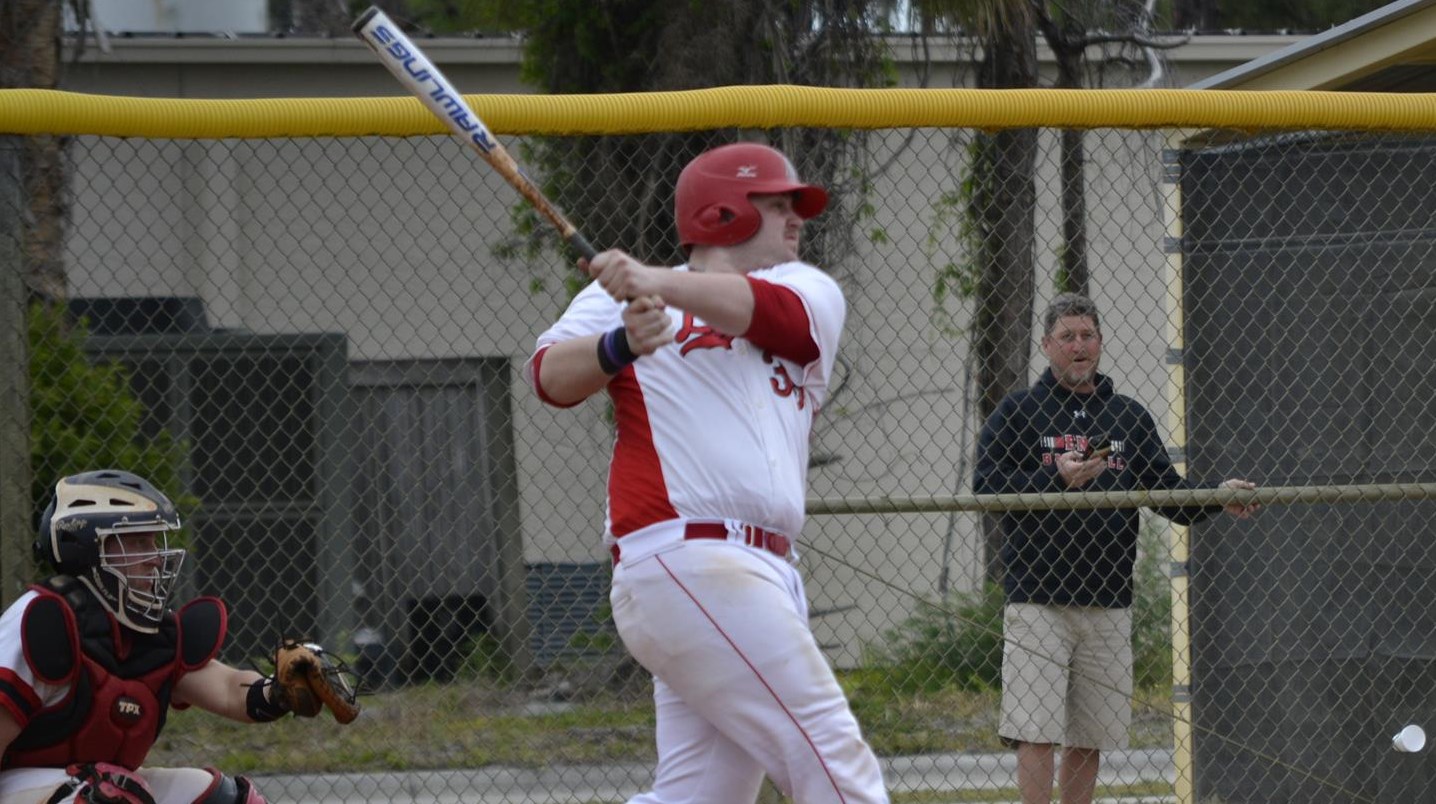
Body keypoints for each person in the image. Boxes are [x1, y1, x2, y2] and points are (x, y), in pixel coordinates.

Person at [525, 142, 888, 803]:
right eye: (776, 204)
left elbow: (765, 312)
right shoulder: (621, 299)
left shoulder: (807, 289)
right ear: (722, 213)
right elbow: (549, 377)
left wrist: (653, 283)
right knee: (829, 753)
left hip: (764, 571)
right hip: (686, 556)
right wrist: (619, 343)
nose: (796, 218)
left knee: (701, 797)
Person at [974, 293, 1258, 804]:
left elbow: (1168, 494)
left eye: (1087, 336)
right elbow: (986, 487)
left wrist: (1217, 497)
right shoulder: (1019, 412)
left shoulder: (1127, 417)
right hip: (1039, 599)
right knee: (1035, 728)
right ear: (1047, 345)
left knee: (1090, 734)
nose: (1078, 346)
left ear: (1100, 343)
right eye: (1067, 337)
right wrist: (1054, 478)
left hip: (1108, 600)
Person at [0, 469, 345, 803]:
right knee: (109, 796)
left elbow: (229, 691)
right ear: (90, 547)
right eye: (138, 541)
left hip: (96, 785)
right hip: (19, 786)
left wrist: (278, 690)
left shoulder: (148, 628)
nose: (154, 557)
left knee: (224, 797)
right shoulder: (43, 620)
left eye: (154, 540)